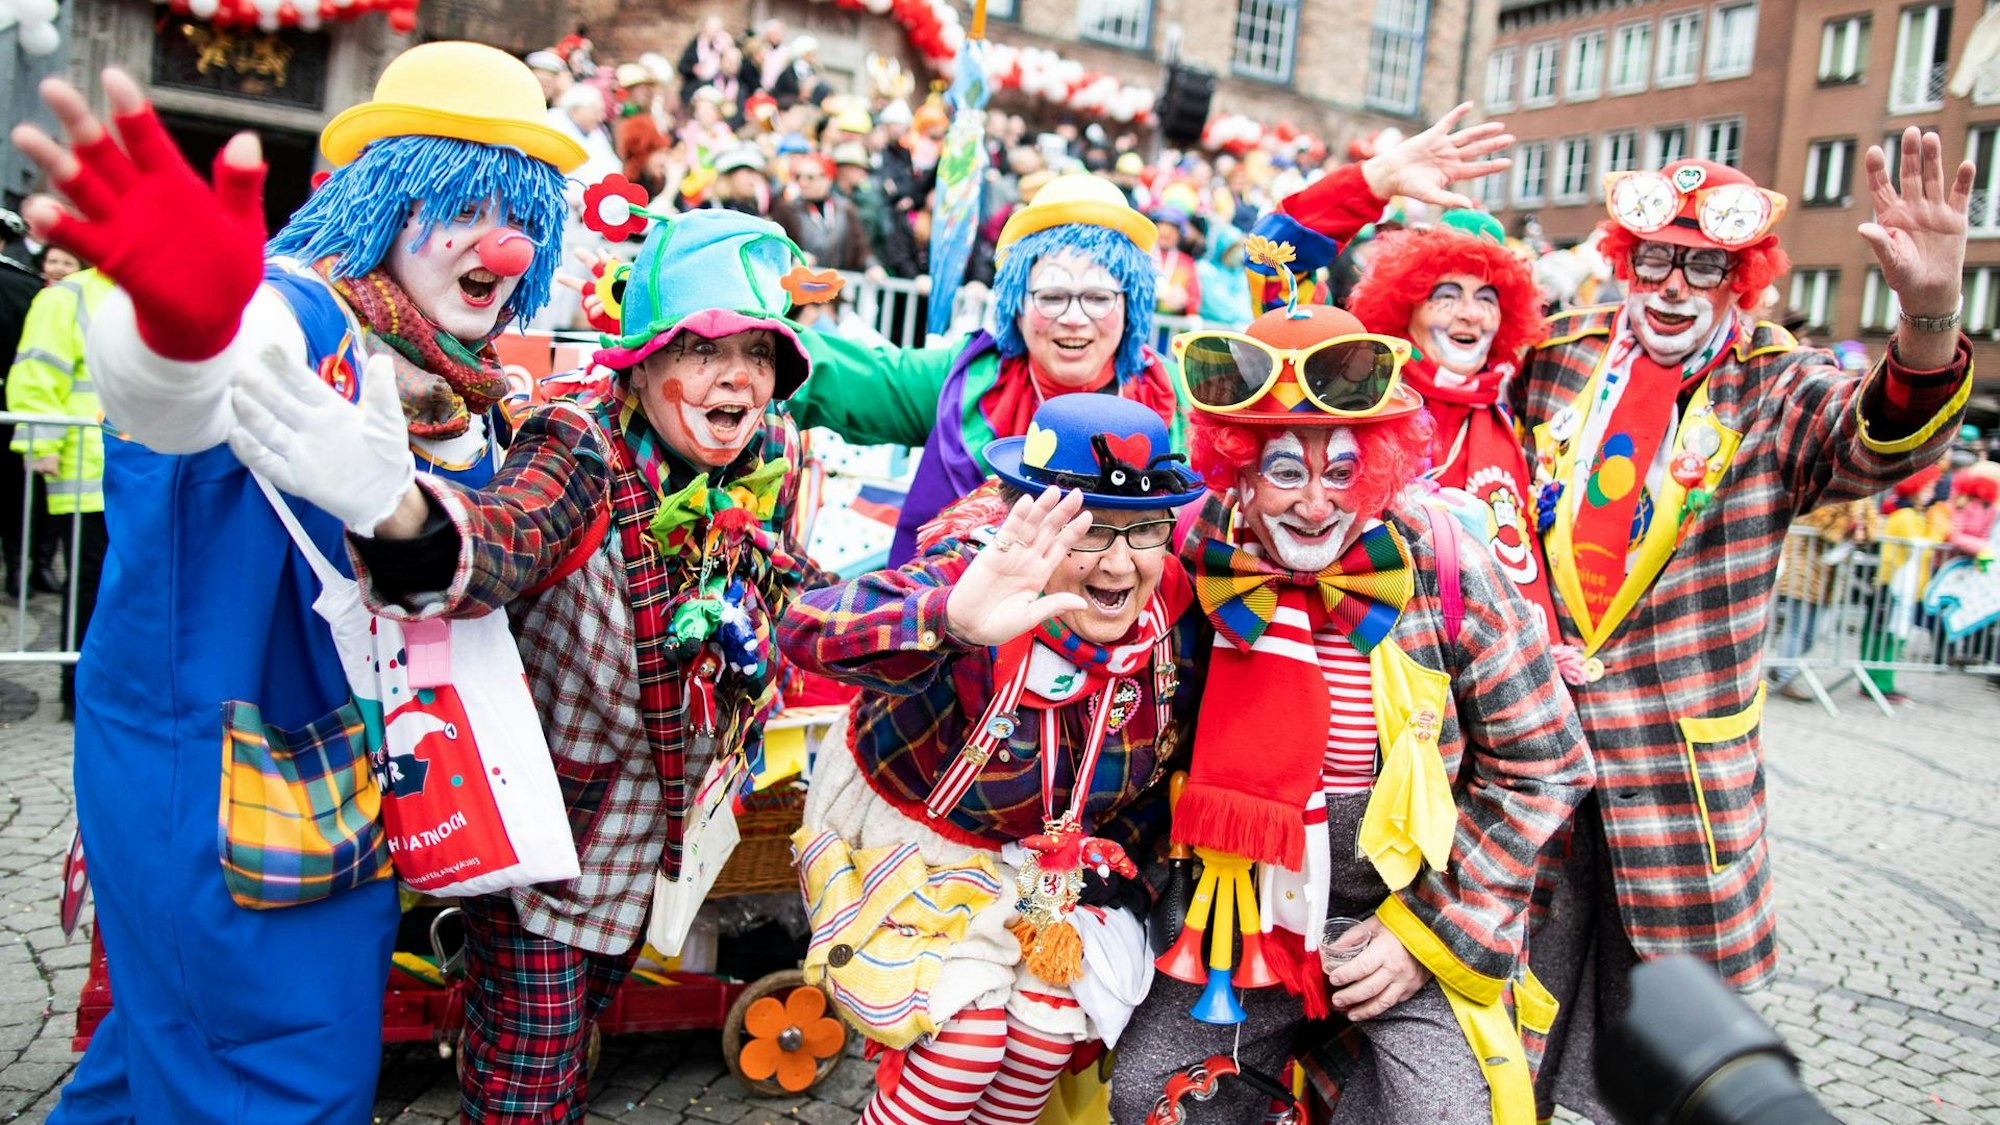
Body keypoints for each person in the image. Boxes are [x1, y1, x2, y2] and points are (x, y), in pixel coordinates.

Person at [11, 41, 580, 1121]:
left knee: (153, 1059)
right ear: (382, 200)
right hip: (229, 780)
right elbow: (193, 394)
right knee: (282, 1077)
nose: (500, 245)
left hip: (329, 769)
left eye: (522, 218)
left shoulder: (460, 379)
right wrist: (173, 332)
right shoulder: (304, 307)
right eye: (461, 203)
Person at [227, 207, 827, 1122]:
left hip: (648, 850)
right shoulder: (581, 442)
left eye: (757, 354)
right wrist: (402, 520)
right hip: (543, 848)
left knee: (558, 1042)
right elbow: (509, 532)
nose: (735, 378)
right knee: (530, 1083)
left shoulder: (760, 466)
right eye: (704, 350)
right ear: (646, 362)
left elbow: (798, 598)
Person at [1508, 144, 1977, 1119]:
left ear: (1742, 275)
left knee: (1662, 1062)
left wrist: (1926, 319)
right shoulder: (1557, 355)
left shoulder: (1771, 383)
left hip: (1673, 796)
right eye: (1654, 260)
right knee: (1509, 1037)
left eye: (1705, 266)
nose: (1674, 287)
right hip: (1533, 775)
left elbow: (1877, 435)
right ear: (1621, 259)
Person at [1107, 302, 1591, 1125]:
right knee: (1151, 1096)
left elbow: (1547, 761)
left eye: (1343, 472)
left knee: (1439, 1118)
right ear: (1240, 470)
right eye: (1287, 472)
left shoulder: (1446, 563)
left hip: (1400, 923)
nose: (1314, 504)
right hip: (1236, 921)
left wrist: (1422, 933)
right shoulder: (1193, 550)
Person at [780, 393, 1208, 1125]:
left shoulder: (1177, 612)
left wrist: (1112, 864)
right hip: (919, 837)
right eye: (1090, 530)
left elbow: (1159, 770)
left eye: (1141, 529)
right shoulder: (984, 564)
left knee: (1042, 1035)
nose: (1116, 560)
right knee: (966, 1044)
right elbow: (806, 626)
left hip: (1053, 870)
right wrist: (950, 620)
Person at [1344, 209, 1563, 636]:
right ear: (1406, 306)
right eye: (1447, 295)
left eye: (1486, 299)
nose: (1470, 314)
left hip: (1491, 649)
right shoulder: (1363, 405)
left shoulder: (1509, 416)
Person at [5, 260, 112, 719]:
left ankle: (106, 685)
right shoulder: (66, 296)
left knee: (126, 587)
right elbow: (36, 373)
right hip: (87, 470)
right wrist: (43, 444)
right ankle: (77, 690)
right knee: (89, 585)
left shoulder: (149, 291)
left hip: (141, 471)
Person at [772, 154, 871, 272]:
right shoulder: (787, 209)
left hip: (838, 284)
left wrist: (872, 266)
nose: (802, 182)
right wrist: (794, 257)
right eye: (798, 177)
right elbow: (776, 246)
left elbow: (860, 246)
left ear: (828, 179)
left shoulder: (845, 208)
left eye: (810, 177)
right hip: (802, 283)